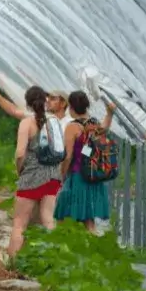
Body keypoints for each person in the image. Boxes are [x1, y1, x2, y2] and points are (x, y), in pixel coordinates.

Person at [6, 86, 63, 257]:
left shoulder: (26, 123)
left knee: (19, 224)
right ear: (45, 101)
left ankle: (12, 262)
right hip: (52, 176)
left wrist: (20, 170)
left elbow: (20, 153)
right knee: (48, 220)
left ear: (28, 104)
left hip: (31, 177)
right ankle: (54, 259)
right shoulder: (54, 121)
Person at [54, 90, 116, 233]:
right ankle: (92, 249)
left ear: (71, 107)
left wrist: (62, 175)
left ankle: (64, 249)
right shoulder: (93, 124)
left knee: (63, 217)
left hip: (77, 178)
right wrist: (110, 113)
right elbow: (105, 127)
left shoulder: (72, 127)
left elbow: (68, 156)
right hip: (93, 177)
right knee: (89, 221)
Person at [0, 84, 72, 131]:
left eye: (53, 98)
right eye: (48, 97)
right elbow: (15, 111)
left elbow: (84, 148)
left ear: (63, 104)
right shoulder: (43, 117)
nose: (48, 100)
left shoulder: (70, 123)